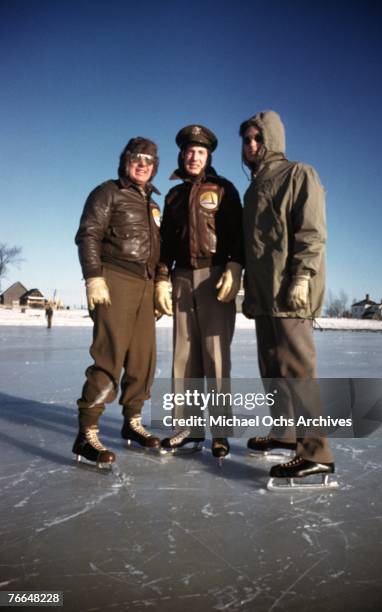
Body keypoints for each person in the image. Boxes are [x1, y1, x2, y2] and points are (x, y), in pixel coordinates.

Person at [239, 110, 336, 488]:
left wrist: (303, 275)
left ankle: (316, 454)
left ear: (272, 140)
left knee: (298, 372)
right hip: (264, 296)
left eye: (257, 139)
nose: (251, 146)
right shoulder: (253, 188)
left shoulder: (299, 174)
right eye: (246, 140)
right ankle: (284, 433)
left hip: (291, 292)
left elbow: (311, 231)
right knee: (273, 370)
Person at [155, 125, 243, 459]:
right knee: (184, 355)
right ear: (182, 154)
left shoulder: (223, 189)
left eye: (201, 152)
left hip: (215, 276)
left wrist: (235, 266)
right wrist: (162, 277)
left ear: (208, 157)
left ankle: (220, 432)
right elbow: (165, 243)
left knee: (215, 356)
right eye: (190, 151)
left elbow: (237, 233)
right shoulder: (174, 195)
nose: (194, 157)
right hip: (181, 277)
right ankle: (189, 427)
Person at [73, 137, 162, 466]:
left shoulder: (153, 203)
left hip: (146, 285)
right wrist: (93, 276)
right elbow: (89, 233)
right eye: (137, 158)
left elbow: (160, 249)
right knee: (109, 355)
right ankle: (87, 433)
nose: (143, 164)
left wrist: (161, 281)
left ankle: (132, 422)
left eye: (149, 161)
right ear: (125, 162)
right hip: (116, 278)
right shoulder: (107, 192)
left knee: (143, 359)